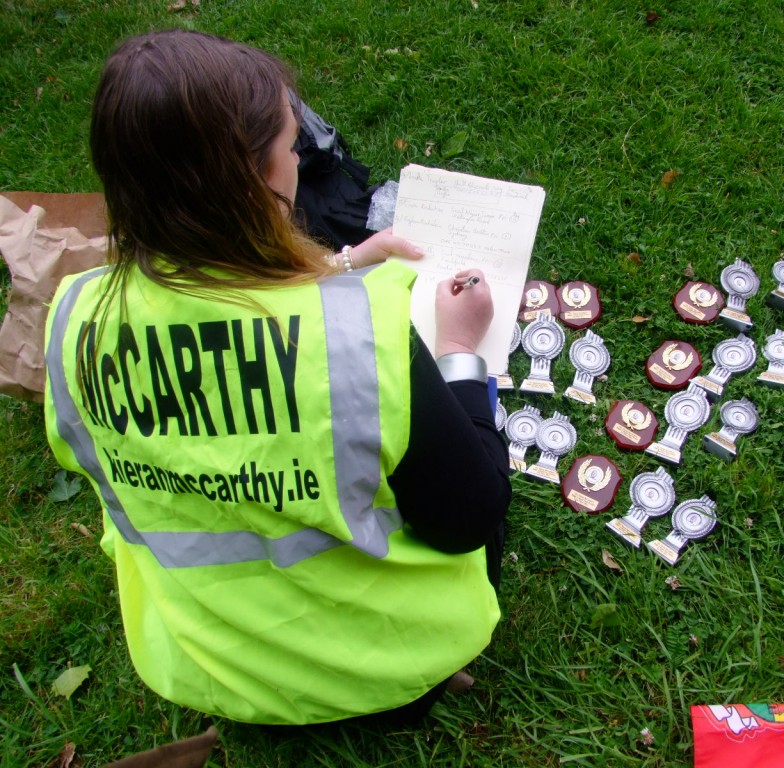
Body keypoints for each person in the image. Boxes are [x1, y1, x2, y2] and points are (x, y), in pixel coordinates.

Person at [44, 29, 510, 726]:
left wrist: (342, 262)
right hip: (379, 679)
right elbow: (470, 515)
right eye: (293, 147)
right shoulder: (361, 333)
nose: (300, 158)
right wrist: (460, 353)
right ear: (263, 182)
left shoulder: (72, 319)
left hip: (209, 669)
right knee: (477, 448)